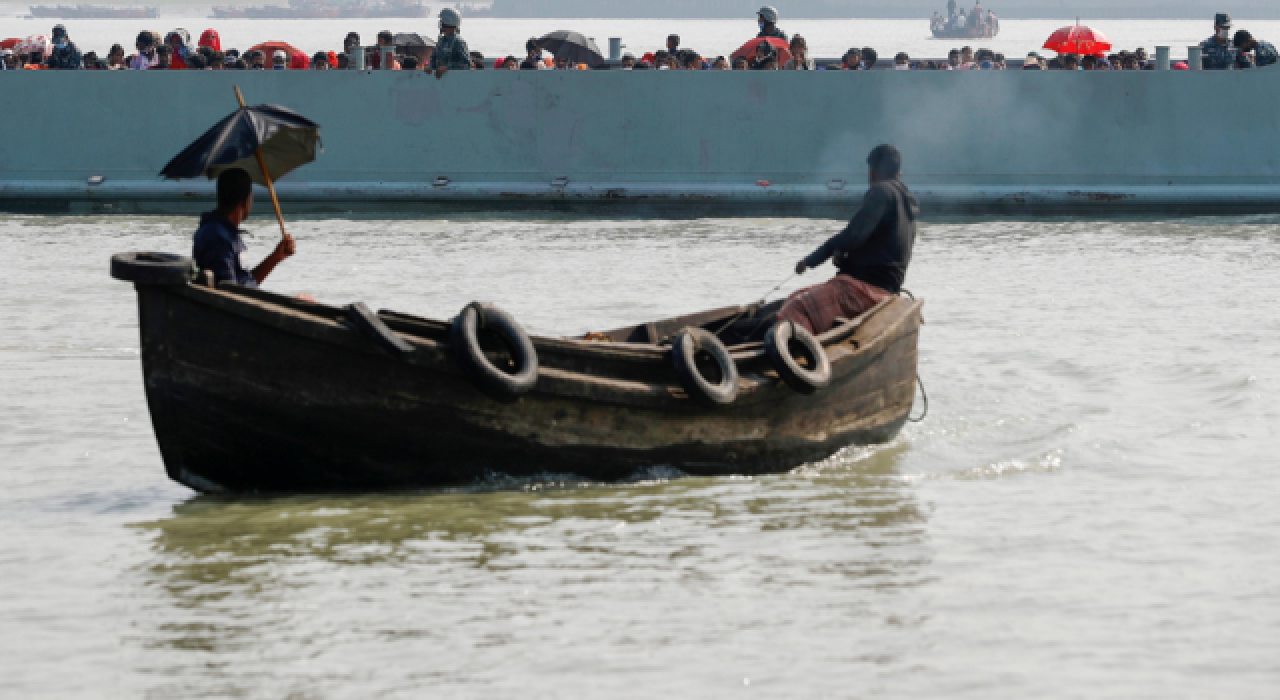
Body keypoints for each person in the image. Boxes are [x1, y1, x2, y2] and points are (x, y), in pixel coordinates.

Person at [782, 145, 917, 336]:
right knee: (793, 297)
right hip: (887, 288)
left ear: (874, 169)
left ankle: (802, 360)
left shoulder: (881, 191)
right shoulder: (906, 200)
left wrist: (810, 260)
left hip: (864, 290)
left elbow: (853, 236)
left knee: (795, 308)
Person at [193, 169, 296, 289]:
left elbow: (245, 282)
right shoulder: (218, 237)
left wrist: (276, 257)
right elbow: (230, 293)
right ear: (245, 200)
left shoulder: (222, 232)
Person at [431, 7, 472, 78]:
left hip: (455, 80)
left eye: (442, 21)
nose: (441, 23)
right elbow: (434, 59)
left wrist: (447, 67)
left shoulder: (458, 42)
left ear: (448, 21)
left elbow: (466, 64)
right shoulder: (441, 41)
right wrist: (430, 66)